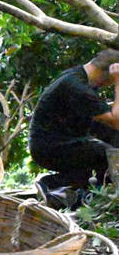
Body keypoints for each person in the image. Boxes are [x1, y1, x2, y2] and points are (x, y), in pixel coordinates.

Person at [29, 49, 119, 205]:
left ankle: (89, 190)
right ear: (107, 72)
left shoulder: (78, 76)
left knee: (113, 136)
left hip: (64, 140)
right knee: (105, 154)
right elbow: (116, 120)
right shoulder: (76, 86)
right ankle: (51, 184)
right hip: (48, 147)